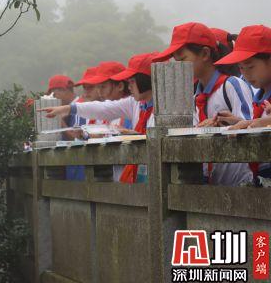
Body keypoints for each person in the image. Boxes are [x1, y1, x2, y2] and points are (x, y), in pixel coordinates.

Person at [152, 22, 253, 186]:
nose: (179, 67)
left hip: (238, 183)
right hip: (207, 186)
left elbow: (250, 127)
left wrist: (223, 125)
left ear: (205, 54)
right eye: (176, 62)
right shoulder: (194, 97)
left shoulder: (231, 85)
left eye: (183, 59)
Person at [40, 52, 160, 183]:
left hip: (155, 174)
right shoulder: (136, 103)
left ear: (145, 80)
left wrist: (131, 135)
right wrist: (68, 109)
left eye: (132, 81)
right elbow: (103, 108)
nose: (129, 86)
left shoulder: (160, 106)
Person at [216, 25, 271, 183]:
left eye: (251, 66)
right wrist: (240, 122)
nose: (246, 74)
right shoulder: (259, 99)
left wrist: (260, 122)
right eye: (241, 68)